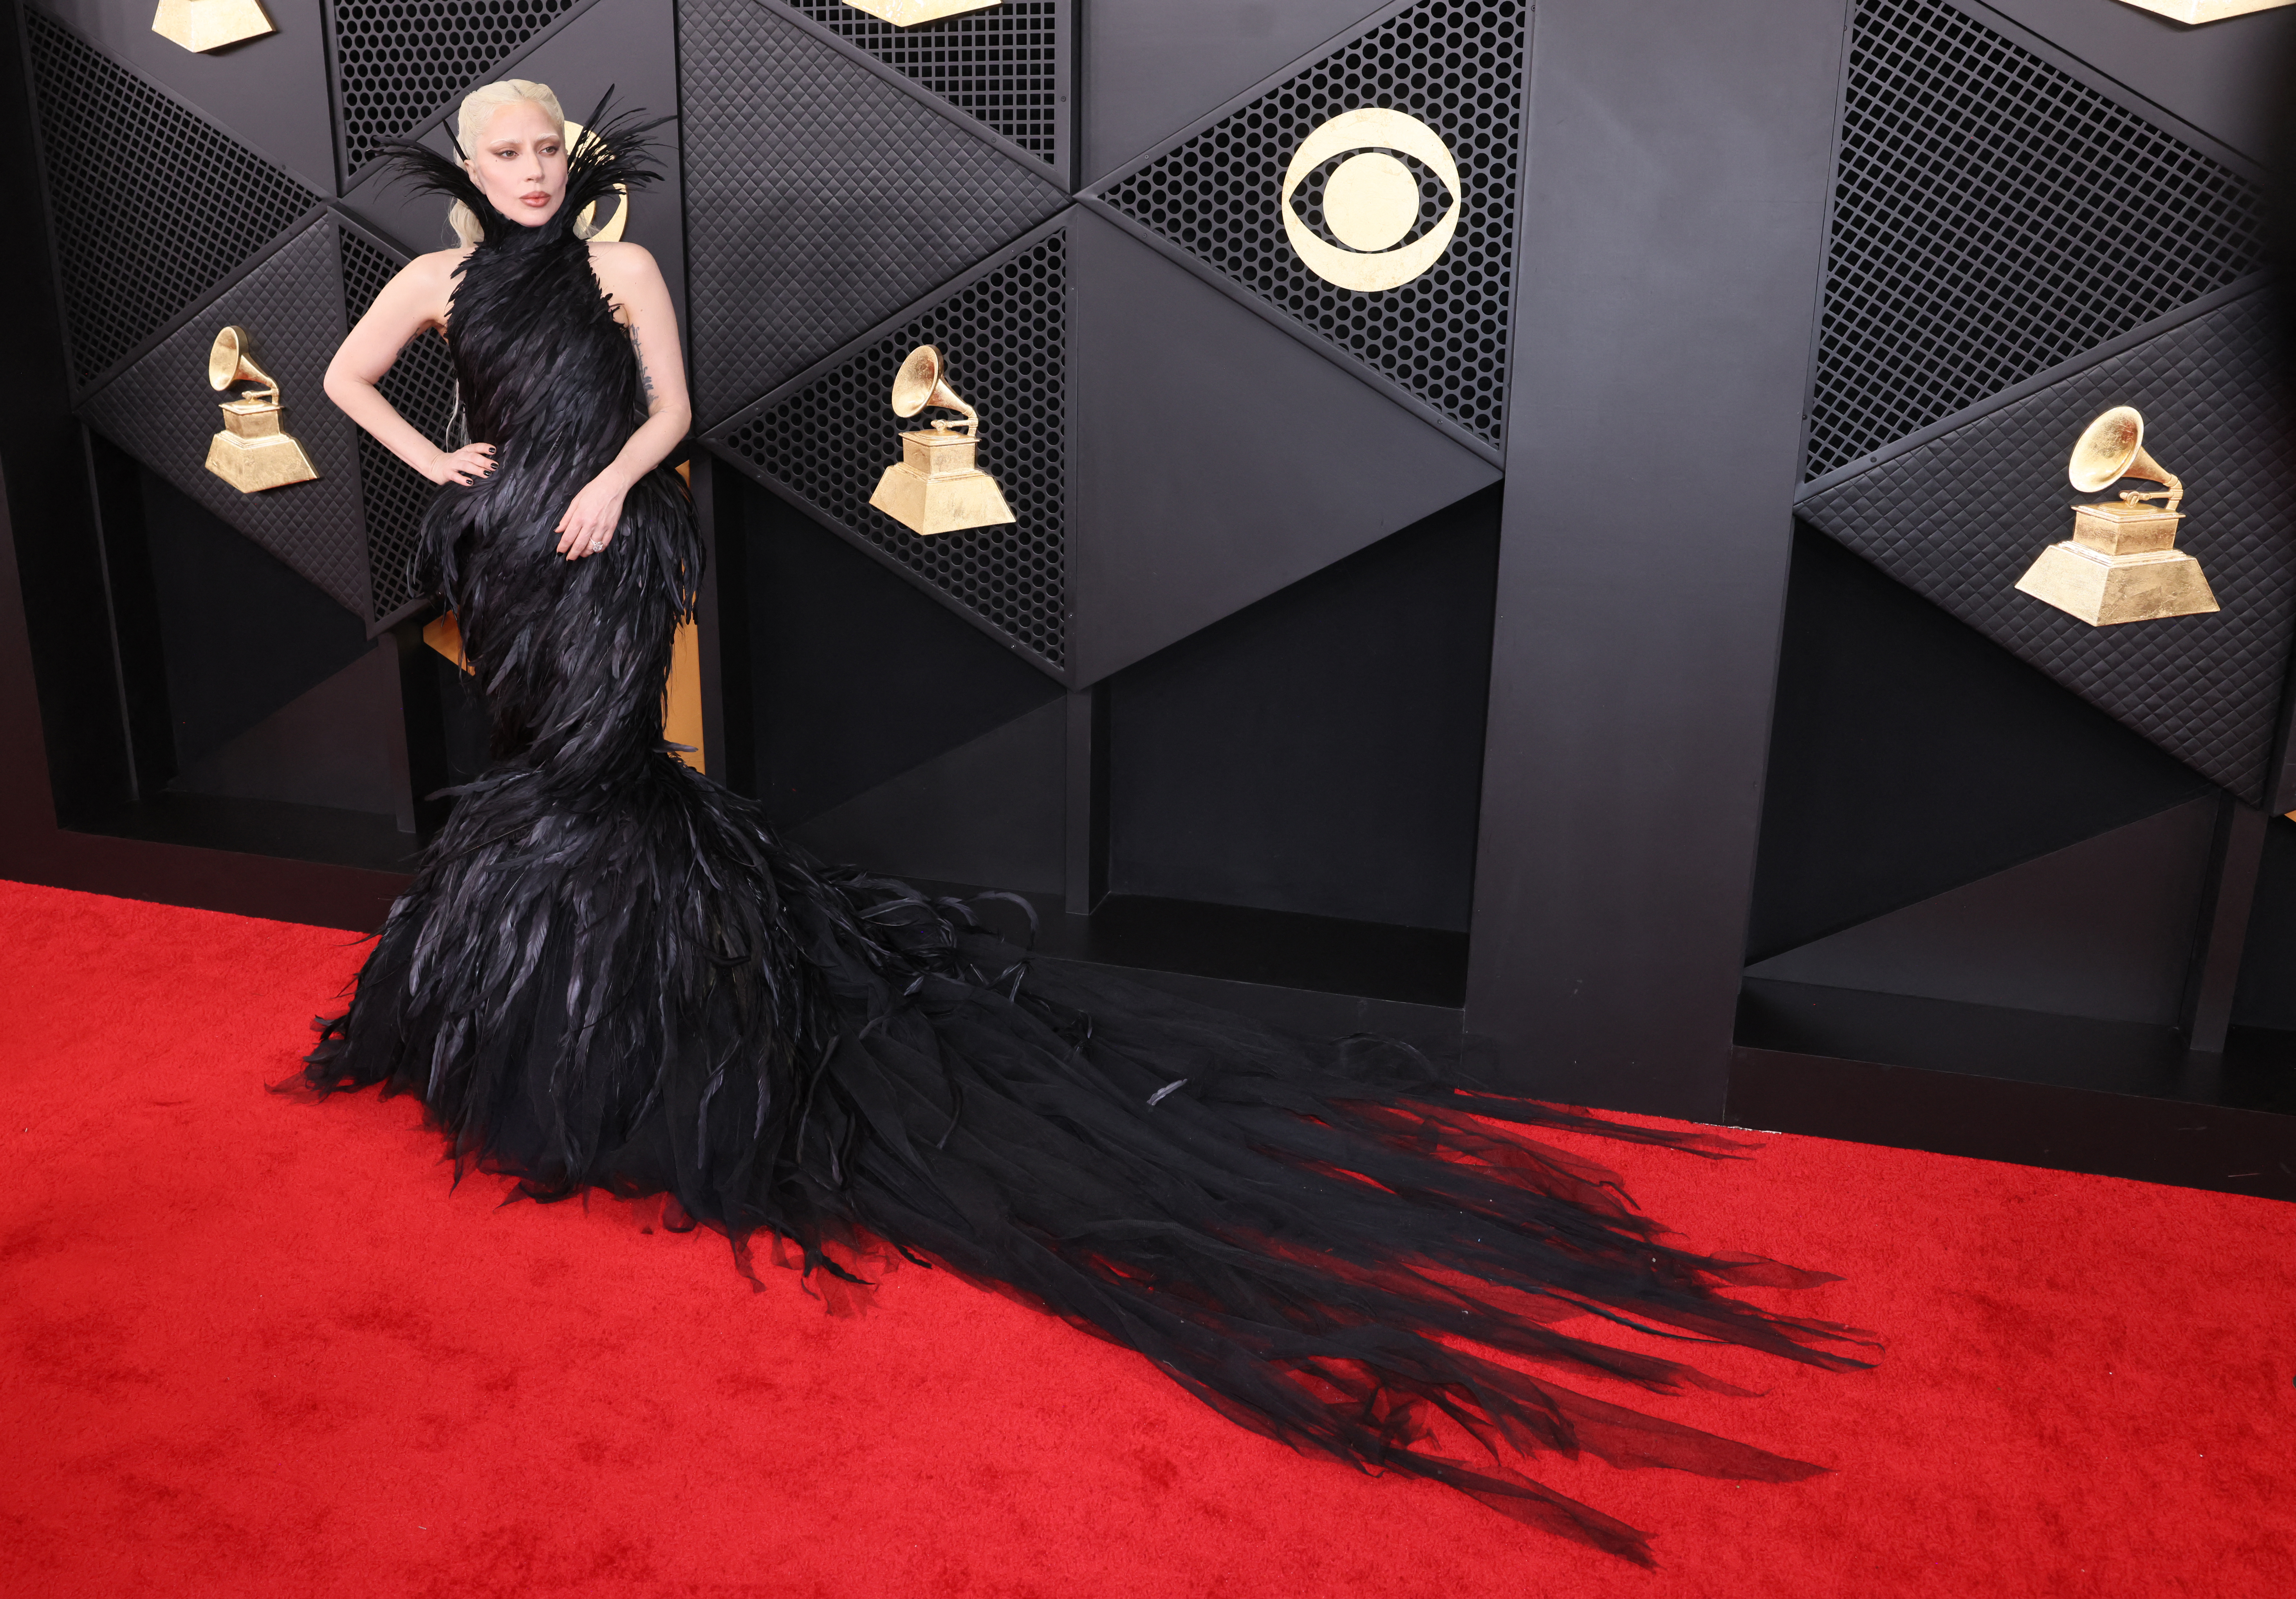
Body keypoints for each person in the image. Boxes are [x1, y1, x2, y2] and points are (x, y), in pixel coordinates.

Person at [306, 79, 1868, 1565]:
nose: (527, 170)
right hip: (505, 548)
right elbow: (342, 382)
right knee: (544, 780)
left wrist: (610, 489)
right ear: (468, 162)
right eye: (502, 152)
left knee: (605, 769)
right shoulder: (441, 286)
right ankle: (539, 1024)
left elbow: (673, 408)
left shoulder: (622, 258)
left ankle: (624, 1032)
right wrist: (440, 460)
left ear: (571, 160)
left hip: (614, 545)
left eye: (543, 150)